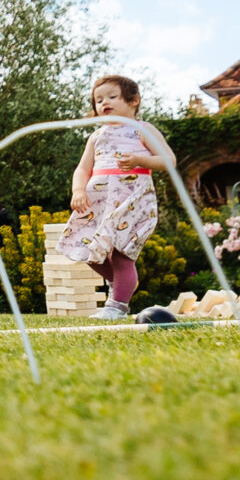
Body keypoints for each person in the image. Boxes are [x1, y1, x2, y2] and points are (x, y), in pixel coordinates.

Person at [55, 75, 174, 319]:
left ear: (133, 101)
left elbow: (168, 160)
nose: (104, 103)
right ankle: (123, 283)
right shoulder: (97, 136)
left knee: (121, 253)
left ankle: (117, 306)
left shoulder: (142, 130)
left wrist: (140, 160)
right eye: (98, 100)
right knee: (86, 247)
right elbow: (82, 169)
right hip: (99, 201)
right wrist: (78, 190)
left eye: (112, 97)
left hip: (132, 201)